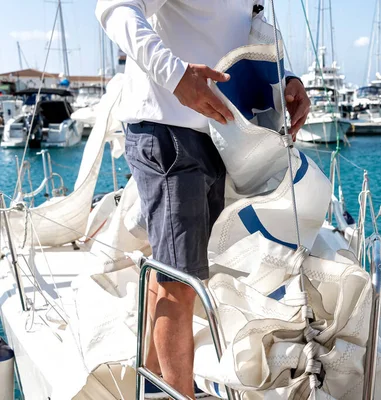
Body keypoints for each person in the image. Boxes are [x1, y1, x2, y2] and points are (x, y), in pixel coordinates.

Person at [95, 1, 310, 397]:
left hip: (221, 136)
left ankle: (155, 383)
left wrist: (287, 77)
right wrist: (176, 76)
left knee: (177, 276)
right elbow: (115, 8)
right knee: (181, 280)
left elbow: (250, 29)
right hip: (168, 129)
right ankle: (179, 392)